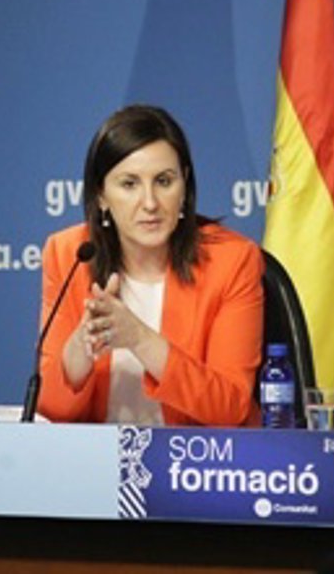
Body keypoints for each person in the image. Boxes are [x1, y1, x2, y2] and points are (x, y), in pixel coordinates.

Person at [36, 104, 264, 426]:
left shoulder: (233, 261)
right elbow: (50, 411)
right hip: (96, 454)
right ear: (101, 195)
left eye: (164, 181)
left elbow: (229, 409)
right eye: (129, 184)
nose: (150, 203)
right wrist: (80, 351)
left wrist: (139, 338)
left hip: (193, 456)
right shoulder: (69, 255)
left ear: (184, 184)